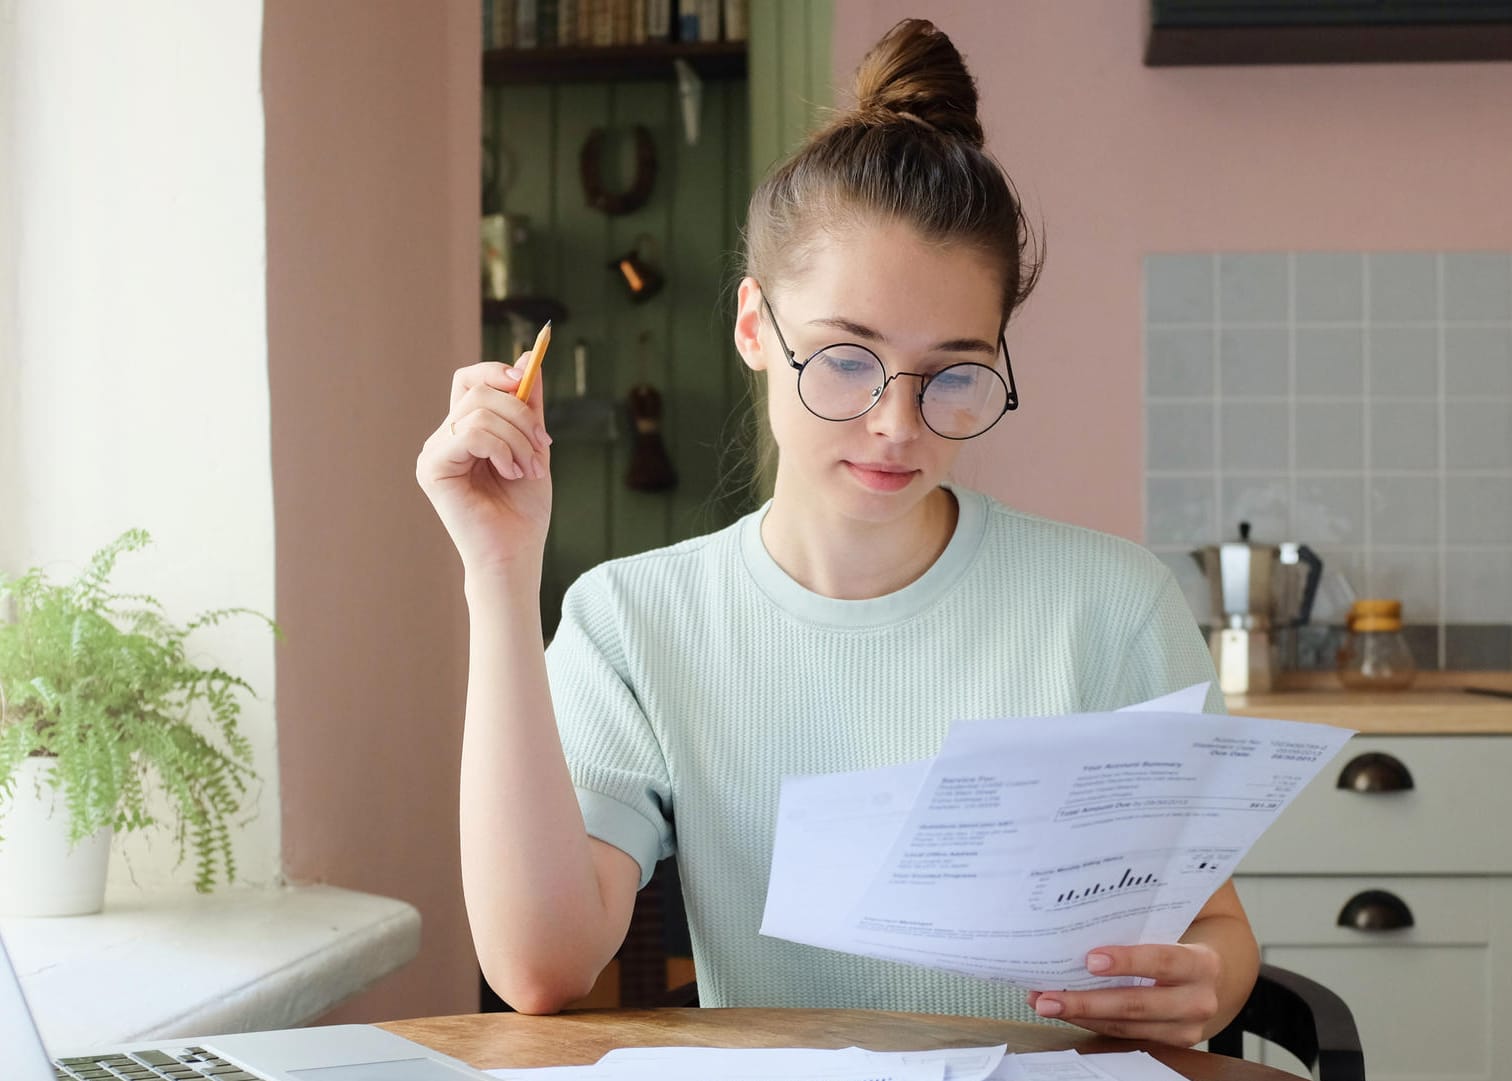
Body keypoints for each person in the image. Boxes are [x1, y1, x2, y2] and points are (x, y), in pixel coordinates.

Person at [417, 18, 1258, 1048]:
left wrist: (1205, 983)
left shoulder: (1112, 605)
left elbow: (1215, 928)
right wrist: (498, 574)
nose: (897, 424)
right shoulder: (636, 619)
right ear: (753, 329)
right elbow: (539, 967)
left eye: (955, 372)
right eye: (848, 359)